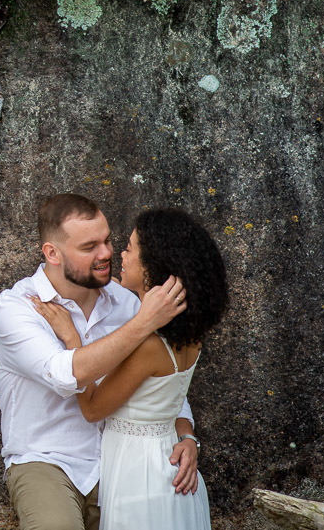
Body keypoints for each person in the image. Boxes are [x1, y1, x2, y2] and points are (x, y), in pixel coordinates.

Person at [0, 193, 199, 530]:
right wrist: (144, 323)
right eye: (89, 247)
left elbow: (160, 381)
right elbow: (64, 375)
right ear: (52, 253)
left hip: (116, 459)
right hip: (47, 460)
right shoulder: (18, 308)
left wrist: (187, 436)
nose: (106, 254)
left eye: (107, 240)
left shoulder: (126, 304)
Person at [31, 208, 228, 530]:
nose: (117, 253)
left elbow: (94, 408)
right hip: (166, 468)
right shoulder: (187, 337)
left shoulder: (149, 345)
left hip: (142, 477)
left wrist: (71, 338)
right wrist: (188, 436)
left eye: (130, 248)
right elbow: (166, 399)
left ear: (151, 269)